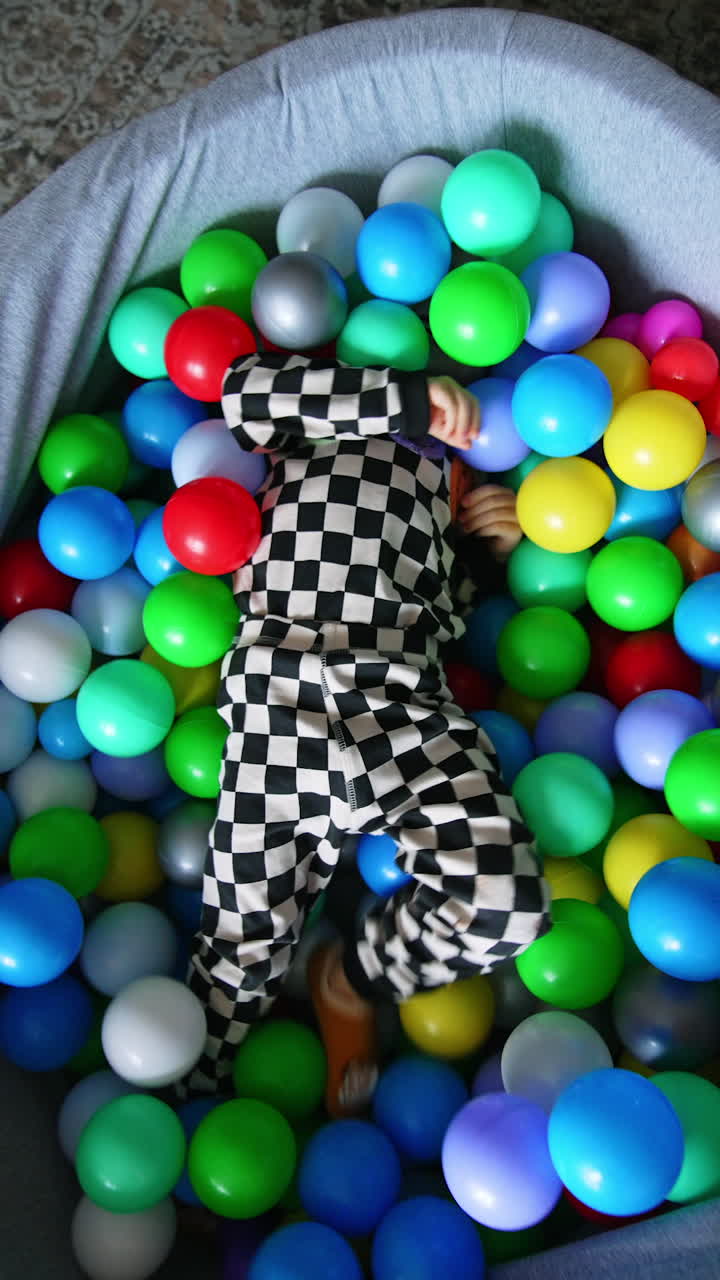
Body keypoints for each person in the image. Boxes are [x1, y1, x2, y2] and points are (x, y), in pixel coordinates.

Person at [182, 352, 550, 1113]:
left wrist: (479, 553)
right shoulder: (315, 428)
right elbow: (246, 389)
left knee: (505, 903)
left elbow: (437, 615)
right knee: (235, 953)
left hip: (402, 702)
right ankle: (187, 1107)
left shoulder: (445, 483)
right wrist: (403, 401)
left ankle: (347, 981)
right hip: (279, 699)